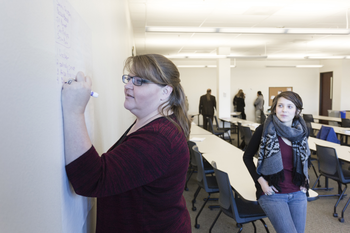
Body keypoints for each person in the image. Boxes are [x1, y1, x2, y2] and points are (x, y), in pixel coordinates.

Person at [61, 54, 192, 233]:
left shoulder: (159, 139)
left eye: (140, 81)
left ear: (165, 92)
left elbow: (91, 180)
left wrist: (74, 111)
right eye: (129, 78)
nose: (128, 85)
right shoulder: (151, 123)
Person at [243, 91, 311, 233]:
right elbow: (247, 157)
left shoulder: (302, 131)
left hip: (298, 193)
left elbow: (306, 159)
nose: (284, 110)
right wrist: (261, 182)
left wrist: (305, 181)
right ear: (274, 108)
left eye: (289, 106)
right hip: (273, 194)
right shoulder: (264, 129)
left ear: (297, 110)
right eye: (280, 105)